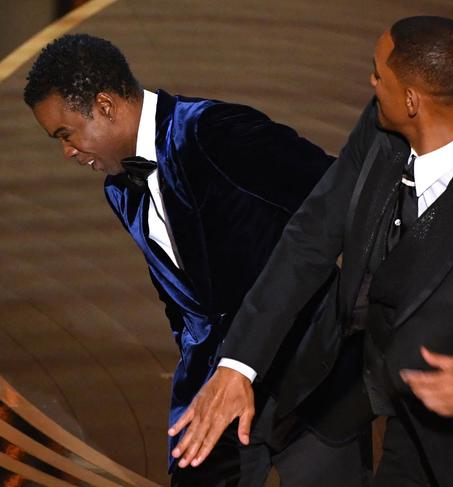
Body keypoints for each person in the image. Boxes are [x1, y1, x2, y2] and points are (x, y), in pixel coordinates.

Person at [169, 16, 453, 487]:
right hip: (357, 374)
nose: (370, 83)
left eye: (378, 75)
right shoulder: (382, 126)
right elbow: (310, 238)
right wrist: (238, 366)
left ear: (411, 100)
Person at [24, 33, 372, 487]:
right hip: (213, 389)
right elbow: (183, 300)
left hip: (313, 378)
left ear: (106, 106)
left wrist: (361, 311)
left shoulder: (213, 131)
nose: (67, 151)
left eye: (65, 134)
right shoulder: (119, 189)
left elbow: (338, 197)